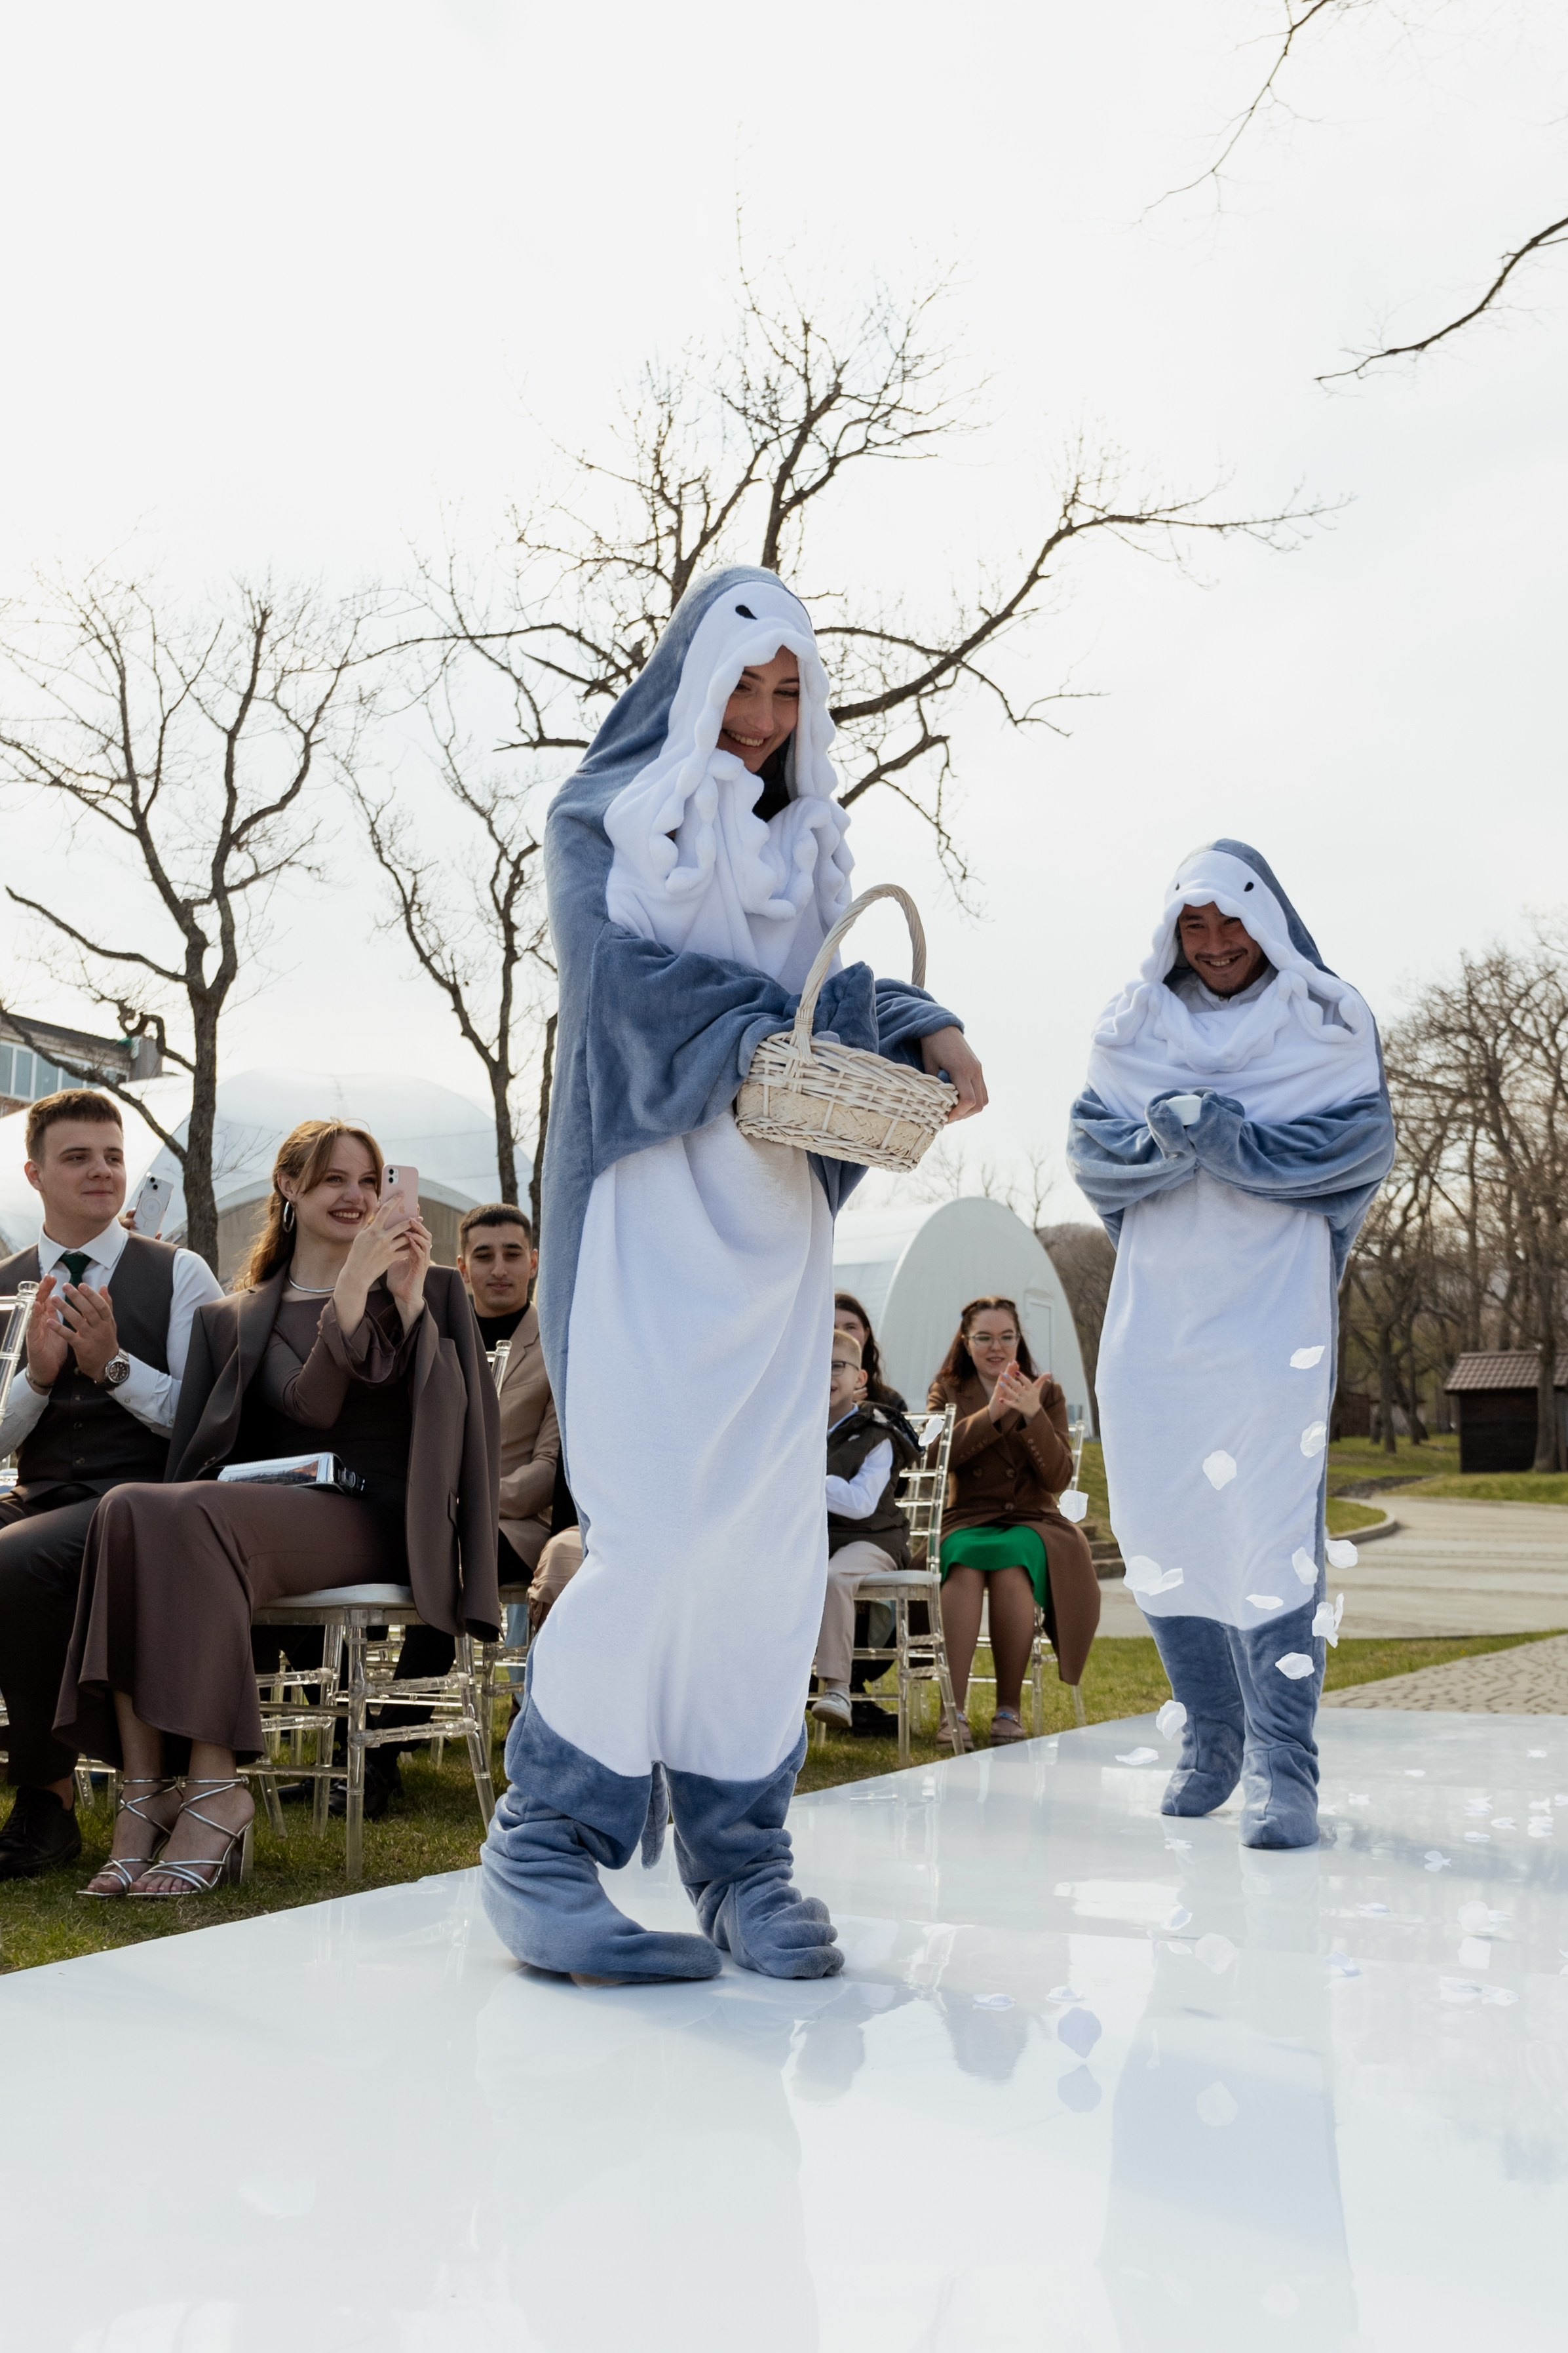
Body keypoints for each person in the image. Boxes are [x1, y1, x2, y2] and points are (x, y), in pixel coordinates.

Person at [481, 564, 984, 1987]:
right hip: (646, 1206)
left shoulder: (811, 848)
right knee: (648, 1528)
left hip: (774, 1221)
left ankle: (739, 1861)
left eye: (787, 695)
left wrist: (924, 1029)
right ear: (690, 684)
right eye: (741, 690)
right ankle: (542, 1846)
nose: (761, 721)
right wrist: (770, 1035)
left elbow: (837, 990)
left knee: (765, 1550)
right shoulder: (602, 819)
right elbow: (615, 977)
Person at [54, 1118, 500, 1896]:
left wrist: (383, 1293)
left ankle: (215, 1787)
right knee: (126, 1507)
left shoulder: (428, 1287)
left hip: (379, 1517)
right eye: (334, 1179)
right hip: (267, 1511)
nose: (356, 1196)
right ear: (289, 1188)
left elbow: (456, 1422)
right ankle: (144, 1791)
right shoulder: (232, 1316)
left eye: (369, 1180)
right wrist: (350, 1291)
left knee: (186, 1514)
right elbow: (280, 1414)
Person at [1067, 840, 1395, 1847]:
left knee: (1266, 1529)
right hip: (1156, 1314)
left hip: (1268, 1311)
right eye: (1192, 926)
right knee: (1165, 1525)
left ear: (1268, 920)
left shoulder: (1325, 1023)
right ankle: (1211, 1736)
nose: (1212, 944)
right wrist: (1157, 1141)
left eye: (1231, 922)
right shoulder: (1135, 1027)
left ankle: (1283, 1762)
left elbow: (1358, 1143)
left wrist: (1237, 1143)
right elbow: (1089, 1146)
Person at [0, 1090, 222, 1879]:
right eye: (78, 1157)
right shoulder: (9, 1282)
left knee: (13, 1562)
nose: (102, 1170)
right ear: (34, 1172)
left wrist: (114, 1368)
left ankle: (46, 1800)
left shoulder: (180, 1272)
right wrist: (38, 1374)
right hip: (38, 1493)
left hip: (146, 1502)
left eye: (112, 1155)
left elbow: (206, 1424)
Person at [928, 1296, 1100, 1749]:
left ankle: (1009, 1709)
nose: (996, 1347)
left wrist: (1031, 1414)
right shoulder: (946, 1390)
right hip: (966, 1518)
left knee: (1013, 1563)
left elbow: (1058, 1478)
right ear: (965, 1343)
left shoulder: (1046, 1391)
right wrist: (993, 1414)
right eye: (983, 1337)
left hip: (1033, 1519)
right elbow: (932, 1456)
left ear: (1018, 1340)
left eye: (1006, 1336)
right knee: (962, 1564)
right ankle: (954, 1711)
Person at [810, 1327, 916, 1730]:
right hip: (814, 1539)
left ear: (860, 1378)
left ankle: (837, 1688)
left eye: (838, 1366)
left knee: (834, 1577)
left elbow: (860, 1504)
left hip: (871, 1539)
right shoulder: (798, 1427)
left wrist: (805, 1480)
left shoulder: (876, 1433)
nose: (827, 1375)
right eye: (817, 1365)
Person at [457, 1203, 559, 1585]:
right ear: (463, 1268)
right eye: (484, 1256)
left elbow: (549, 1468)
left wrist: (468, 1503)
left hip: (518, 1530)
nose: (499, 1269)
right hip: (437, 1526)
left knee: (449, 1560)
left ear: (533, 1263)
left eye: (512, 1255)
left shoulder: (557, 1348)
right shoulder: (439, 1342)